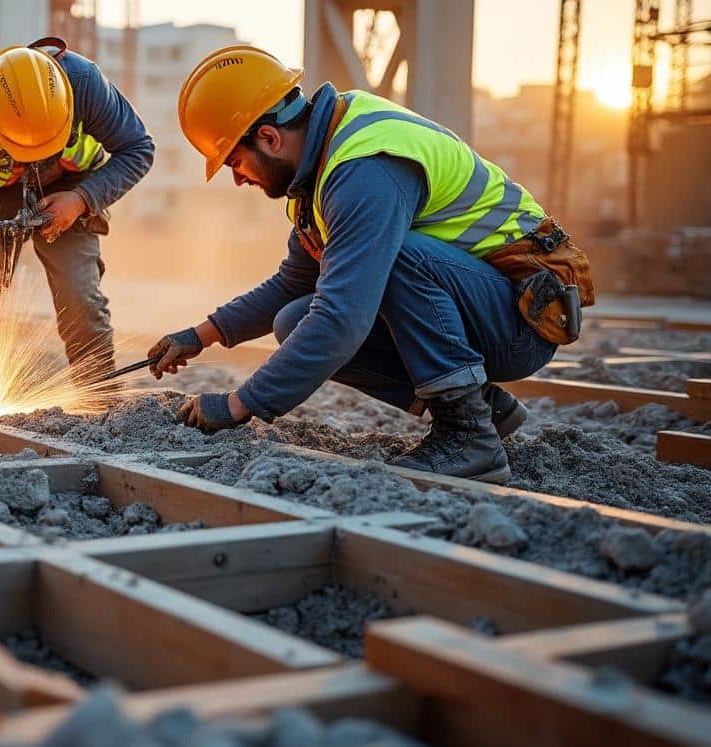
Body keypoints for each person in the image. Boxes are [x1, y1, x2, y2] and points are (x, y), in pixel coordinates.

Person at [150, 46, 594, 483]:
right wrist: (200, 335)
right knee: (295, 319)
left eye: (235, 161)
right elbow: (292, 284)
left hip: (520, 319)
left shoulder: (364, 172)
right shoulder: (321, 170)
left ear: (268, 138)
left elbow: (342, 319)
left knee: (387, 257)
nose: (237, 177)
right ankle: (483, 408)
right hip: (482, 306)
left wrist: (237, 405)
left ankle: (467, 434)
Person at [0, 38, 154, 381]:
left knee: (80, 298)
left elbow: (138, 148)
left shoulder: (84, 83)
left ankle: (97, 400)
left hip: (74, 182)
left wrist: (82, 198)